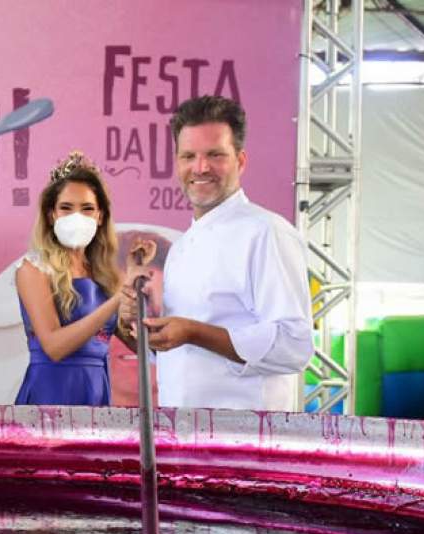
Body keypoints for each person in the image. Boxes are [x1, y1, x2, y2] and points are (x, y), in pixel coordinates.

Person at [119, 95, 312, 411]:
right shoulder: (181, 248)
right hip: (178, 426)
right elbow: (178, 358)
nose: (200, 167)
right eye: (189, 156)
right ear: (177, 163)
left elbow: (294, 344)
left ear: (241, 161)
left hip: (243, 431)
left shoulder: (267, 232)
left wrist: (194, 333)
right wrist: (133, 324)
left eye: (215, 155)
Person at [14, 150, 155, 406]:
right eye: (66, 208)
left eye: (87, 209)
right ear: (51, 215)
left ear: (100, 216)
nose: (77, 217)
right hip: (50, 395)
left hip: (96, 392)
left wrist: (135, 281)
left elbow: (144, 348)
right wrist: (119, 297)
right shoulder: (33, 269)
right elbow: (54, 347)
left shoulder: (104, 275)